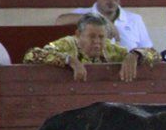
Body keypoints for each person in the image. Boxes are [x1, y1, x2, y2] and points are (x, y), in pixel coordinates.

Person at [24, 13, 158, 82]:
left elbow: (156, 54)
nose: (97, 42)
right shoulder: (67, 44)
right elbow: (32, 55)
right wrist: (69, 60)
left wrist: (135, 54)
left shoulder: (110, 49)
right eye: (92, 36)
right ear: (78, 35)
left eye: (101, 37)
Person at [55, 0, 153, 51]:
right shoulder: (83, 14)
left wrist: (135, 56)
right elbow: (59, 21)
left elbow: (149, 52)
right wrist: (98, 19)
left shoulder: (135, 20)